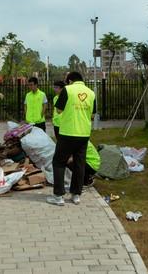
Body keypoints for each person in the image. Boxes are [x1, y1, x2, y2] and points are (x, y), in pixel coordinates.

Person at [47, 71, 95, 206]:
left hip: (68, 133)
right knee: (79, 164)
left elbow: (59, 110)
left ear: (69, 81)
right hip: (84, 134)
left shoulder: (67, 90)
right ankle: (76, 195)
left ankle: (58, 196)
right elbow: (92, 114)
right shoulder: (91, 93)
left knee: (59, 162)